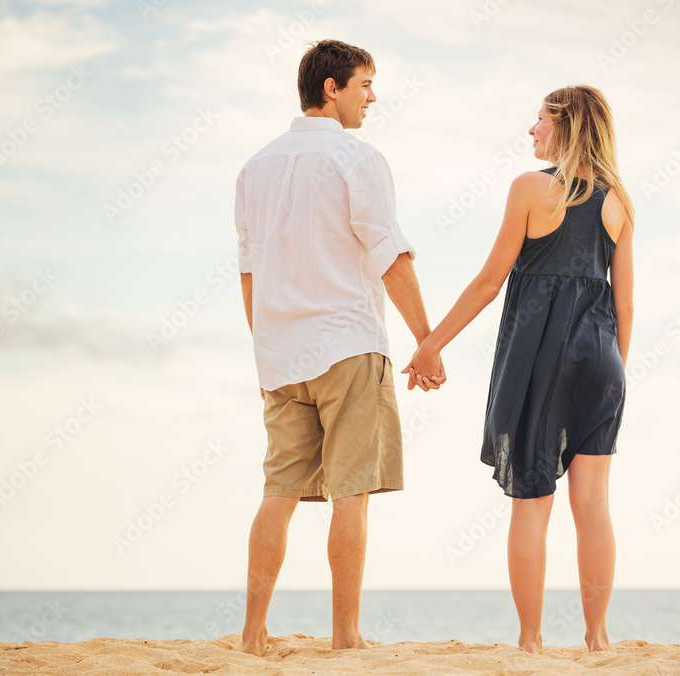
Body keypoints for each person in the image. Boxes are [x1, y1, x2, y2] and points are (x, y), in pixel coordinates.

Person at [405, 85, 635, 654]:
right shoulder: (618, 202)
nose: (531, 131)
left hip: (539, 359)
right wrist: (612, 375)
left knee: (531, 502)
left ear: (565, 127)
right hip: (602, 358)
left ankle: (531, 642)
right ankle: (598, 638)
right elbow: (625, 304)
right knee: (594, 504)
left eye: (538, 121)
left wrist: (431, 343)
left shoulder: (532, 189)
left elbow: (489, 281)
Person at [234, 39, 445, 656]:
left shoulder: (255, 167)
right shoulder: (358, 159)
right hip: (348, 345)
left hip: (280, 356)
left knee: (278, 493)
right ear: (332, 89)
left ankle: (251, 637)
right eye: (364, 85)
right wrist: (427, 341)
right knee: (349, 494)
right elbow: (389, 253)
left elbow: (249, 270)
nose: (372, 98)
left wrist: (267, 344)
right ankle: (346, 637)